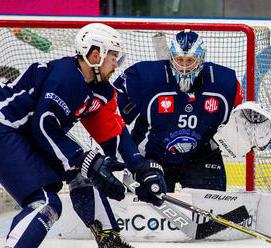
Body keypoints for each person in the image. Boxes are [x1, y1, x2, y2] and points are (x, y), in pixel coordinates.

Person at [0, 23, 166, 248]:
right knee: (46, 203)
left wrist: (141, 168)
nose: (116, 63)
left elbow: (114, 134)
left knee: (84, 173)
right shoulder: (65, 78)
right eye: (113, 57)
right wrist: (83, 159)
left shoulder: (100, 90)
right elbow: (44, 126)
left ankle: (109, 240)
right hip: (6, 129)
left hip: (23, 134)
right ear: (95, 55)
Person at [113, 29, 244, 193]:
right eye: (179, 60)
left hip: (201, 156)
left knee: (210, 210)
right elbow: (112, 115)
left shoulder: (225, 84)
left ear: (201, 59)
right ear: (171, 58)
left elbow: (240, 123)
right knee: (148, 213)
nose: (183, 67)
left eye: (189, 60)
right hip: (153, 155)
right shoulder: (146, 79)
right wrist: (122, 156)